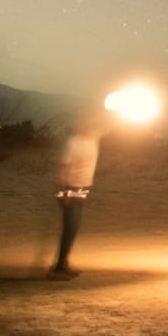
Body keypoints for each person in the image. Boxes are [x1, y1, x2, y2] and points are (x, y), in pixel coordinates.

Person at [50, 117, 101, 277]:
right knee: (70, 227)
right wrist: (63, 192)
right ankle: (59, 266)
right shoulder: (73, 142)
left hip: (82, 188)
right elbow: (62, 167)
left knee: (73, 227)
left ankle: (63, 263)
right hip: (69, 188)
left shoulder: (94, 141)